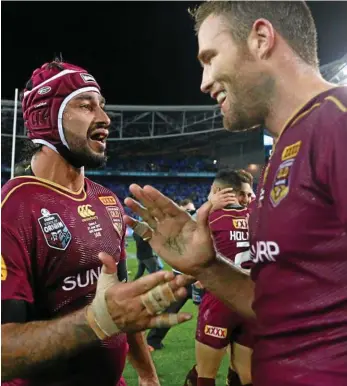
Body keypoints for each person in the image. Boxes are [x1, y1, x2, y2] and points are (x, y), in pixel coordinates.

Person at [124, 2, 347, 385]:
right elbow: (282, 308)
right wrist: (207, 267)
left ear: (261, 39)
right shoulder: (283, 151)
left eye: (210, 58)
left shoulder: (338, 121)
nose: (204, 81)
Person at [1, 59, 192, 385]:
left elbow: (121, 304)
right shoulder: (13, 208)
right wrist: (97, 321)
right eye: (86, 106)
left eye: (102, 107)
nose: (105, 119)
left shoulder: (108, 202)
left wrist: (147, 375)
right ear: (46, 118)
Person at [184, 169, 254, 386]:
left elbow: (188, 259)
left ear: (216, 191)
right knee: (247, 376)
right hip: (252, 303)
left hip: (219, 301)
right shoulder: (259, 218)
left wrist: (208, 204)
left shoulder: (210, 219)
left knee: (205, 375)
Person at [146, 199, 197, 351]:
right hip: (182, 278)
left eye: (193, 212)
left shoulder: (199, 229)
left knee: (214, 311)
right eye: (187, 212)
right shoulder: (173, 231)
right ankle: (152, 341)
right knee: (170, 311)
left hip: (201, 277)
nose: (191, 215)